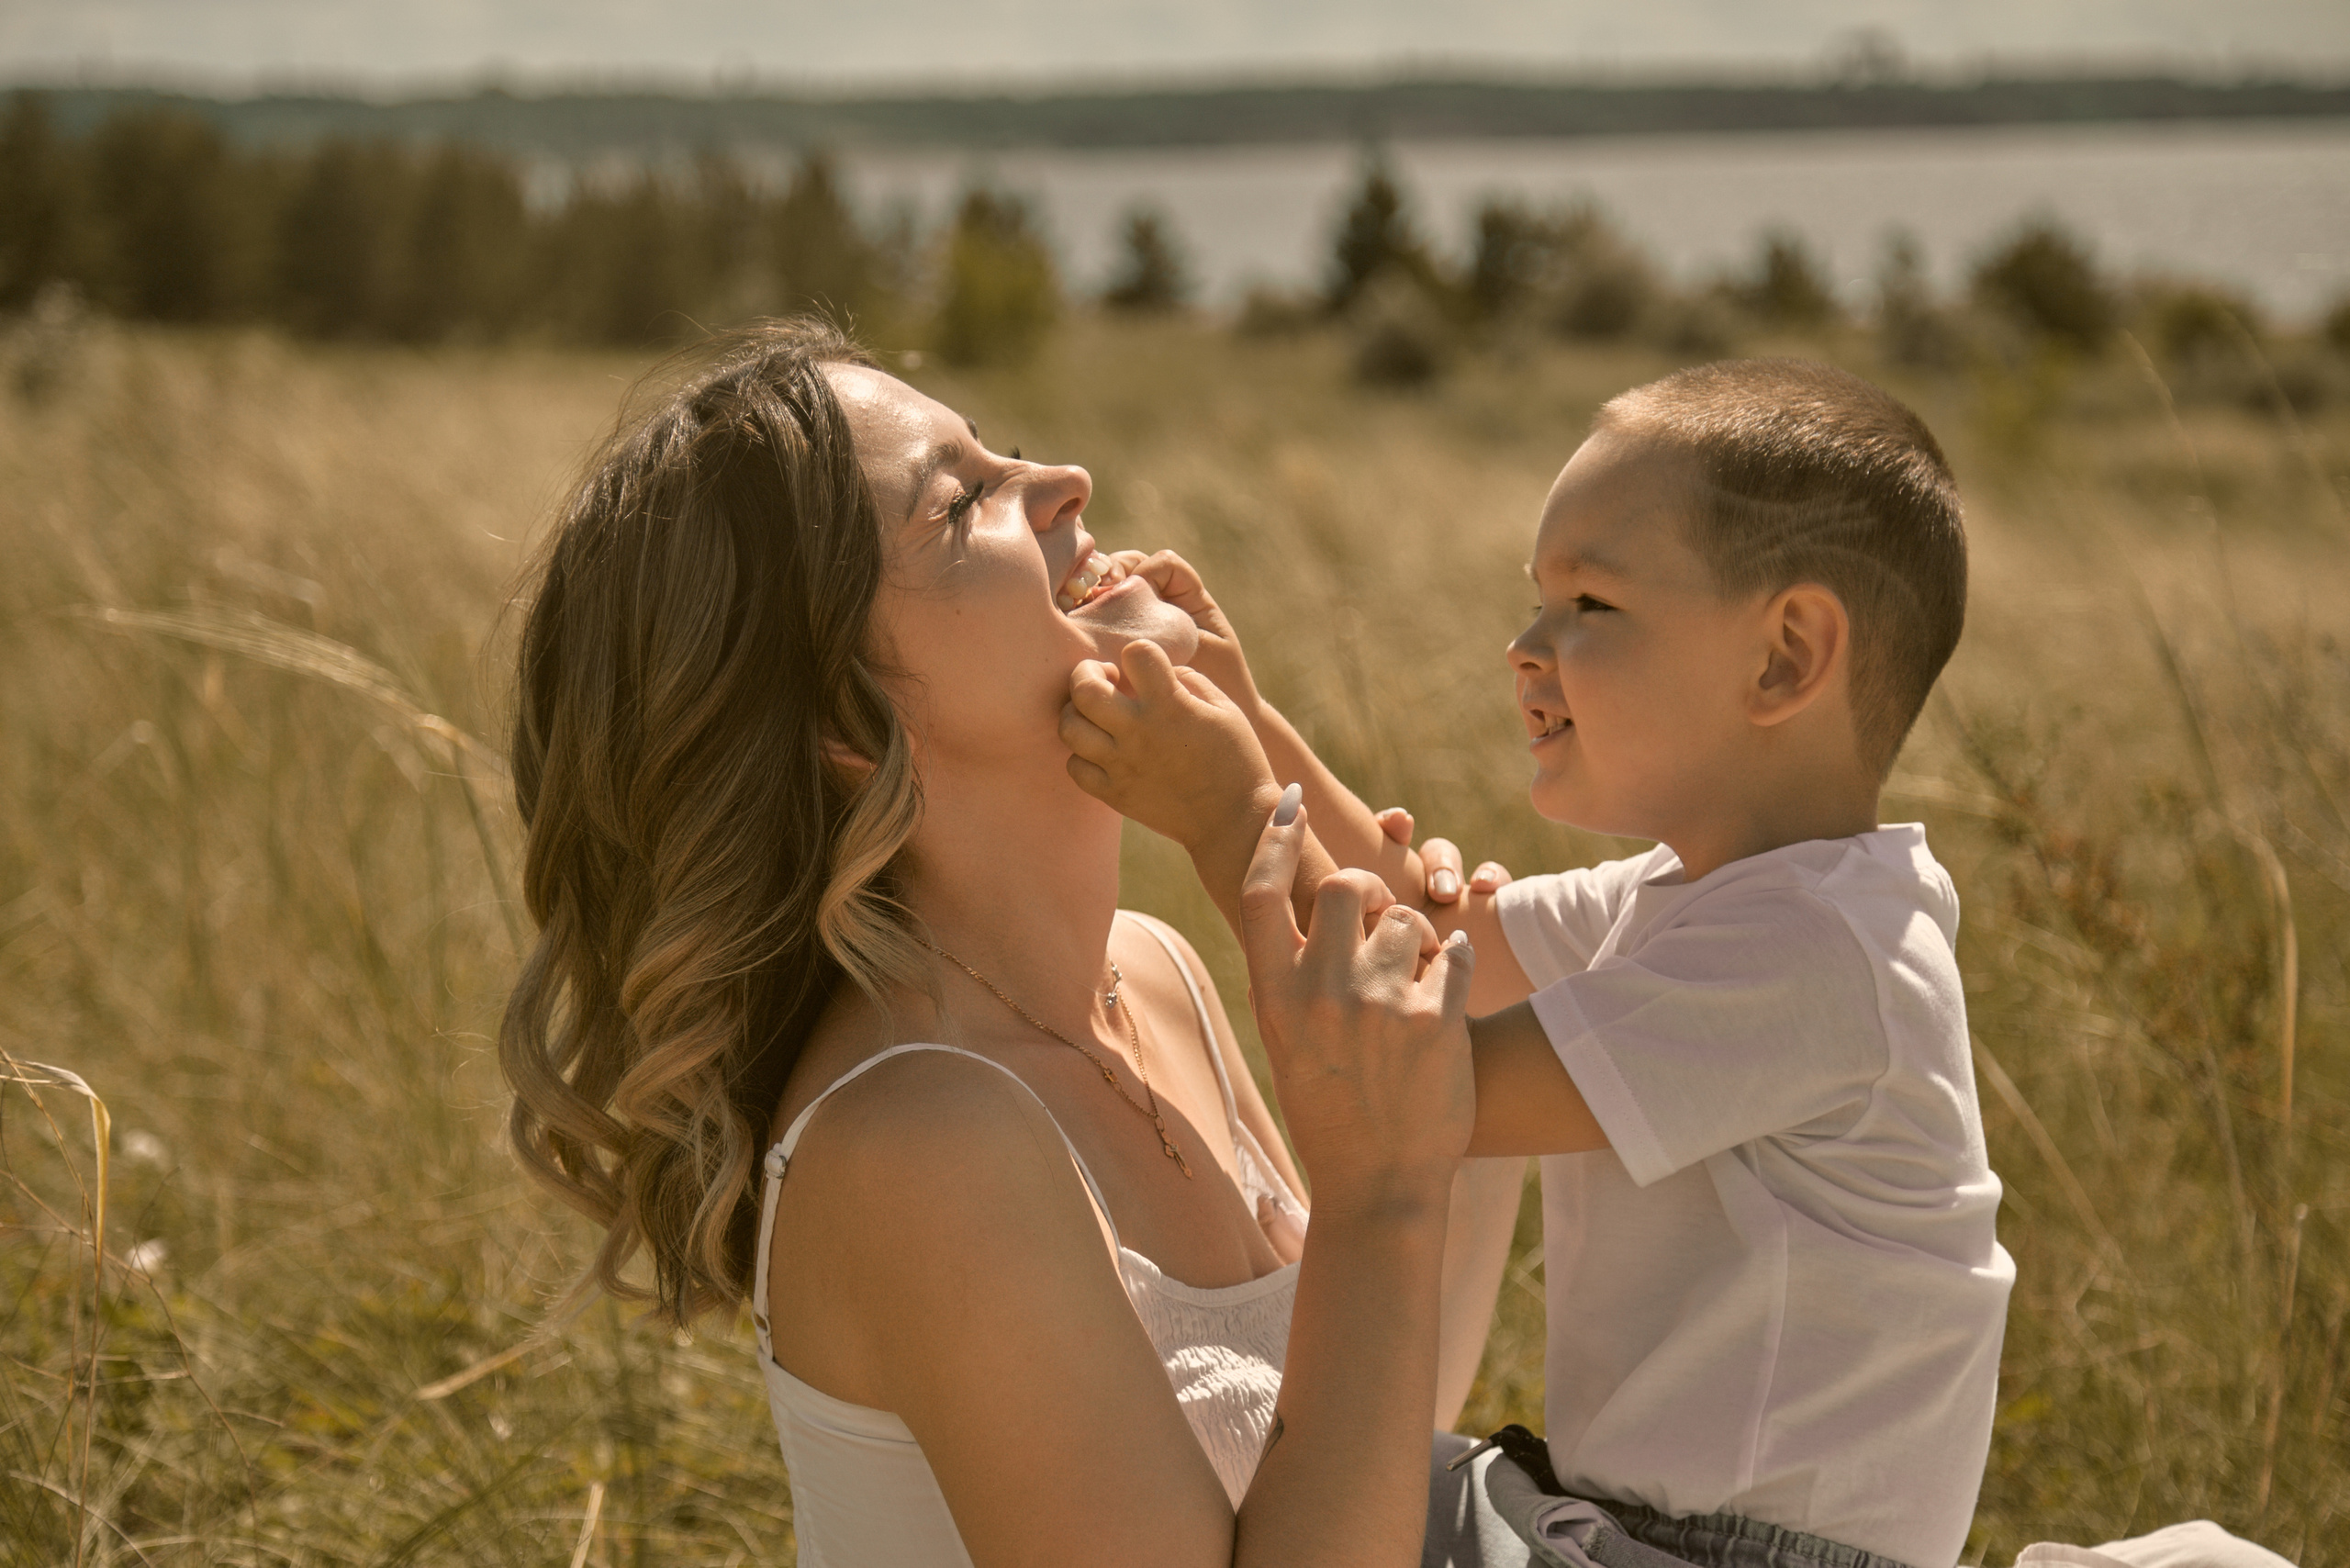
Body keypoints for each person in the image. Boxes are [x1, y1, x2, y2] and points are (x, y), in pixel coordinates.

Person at [494, 319, 1488, 1568]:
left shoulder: (1153, 978)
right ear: (841, 722)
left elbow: (1371, 1453)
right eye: (963, 502)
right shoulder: (922, 1137)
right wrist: (1383, 1194)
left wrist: (1437, 1008)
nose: (1065, 479)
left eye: (1001, 453)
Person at [1062, 359, 2016, 1568]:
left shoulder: (1819, 956)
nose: (1525, 646)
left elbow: (1425, 1086)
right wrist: (1244, 713)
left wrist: (1226, 815)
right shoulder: (1704, 896)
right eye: (1538, 600)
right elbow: (1443, 942)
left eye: (1590, 607)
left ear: (1783, 660)